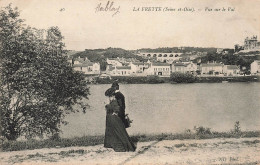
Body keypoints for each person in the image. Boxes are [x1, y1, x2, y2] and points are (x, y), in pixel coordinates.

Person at [104, 87, 136, 152]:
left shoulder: (115, 101)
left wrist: (109, 107)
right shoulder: (113, 101)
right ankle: (115, 145)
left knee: (118, 132)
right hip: (112, 119)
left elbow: (117, 108)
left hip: (114, 119)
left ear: (112, 96)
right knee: (115, 132)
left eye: (110, 97)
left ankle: (121, 147)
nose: (109, 98)